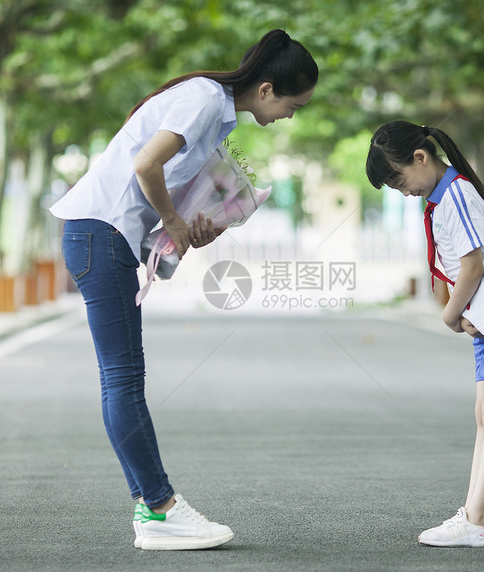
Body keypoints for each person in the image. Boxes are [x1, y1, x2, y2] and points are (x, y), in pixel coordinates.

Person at [49, 29, 318, 551]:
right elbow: (144, 165)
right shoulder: (202, 99)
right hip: (98, 234)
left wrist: (191, 227)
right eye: (293, 103)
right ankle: (159, 507)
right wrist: (174, 222)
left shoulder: (212, 112)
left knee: (122, 380)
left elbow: (158, 188)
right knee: (123, 380)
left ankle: (152, 507)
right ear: (266, 90)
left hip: (103, 236)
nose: (292, 114)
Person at [366, 121, 484, 548]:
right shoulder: (443, 196)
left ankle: (477, 521)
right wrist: (461, 312)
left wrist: (448, 315)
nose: (400, 189)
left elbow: (473, 265)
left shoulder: (456, 194)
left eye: (399, 178)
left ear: (421, 158)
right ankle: (473, 516)